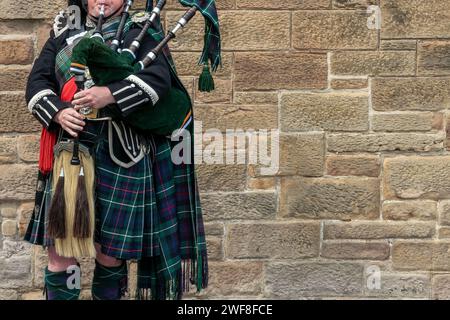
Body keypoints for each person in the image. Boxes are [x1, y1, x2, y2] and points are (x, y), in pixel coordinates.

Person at [24, 0, 211, 300]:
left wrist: (108, 94)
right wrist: (58, 112)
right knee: (60, 253)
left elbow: (159, 80)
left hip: (121, 154)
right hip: (71, 152)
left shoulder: (143, 28)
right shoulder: (63, 31)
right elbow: (37, 82)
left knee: (110, 254)